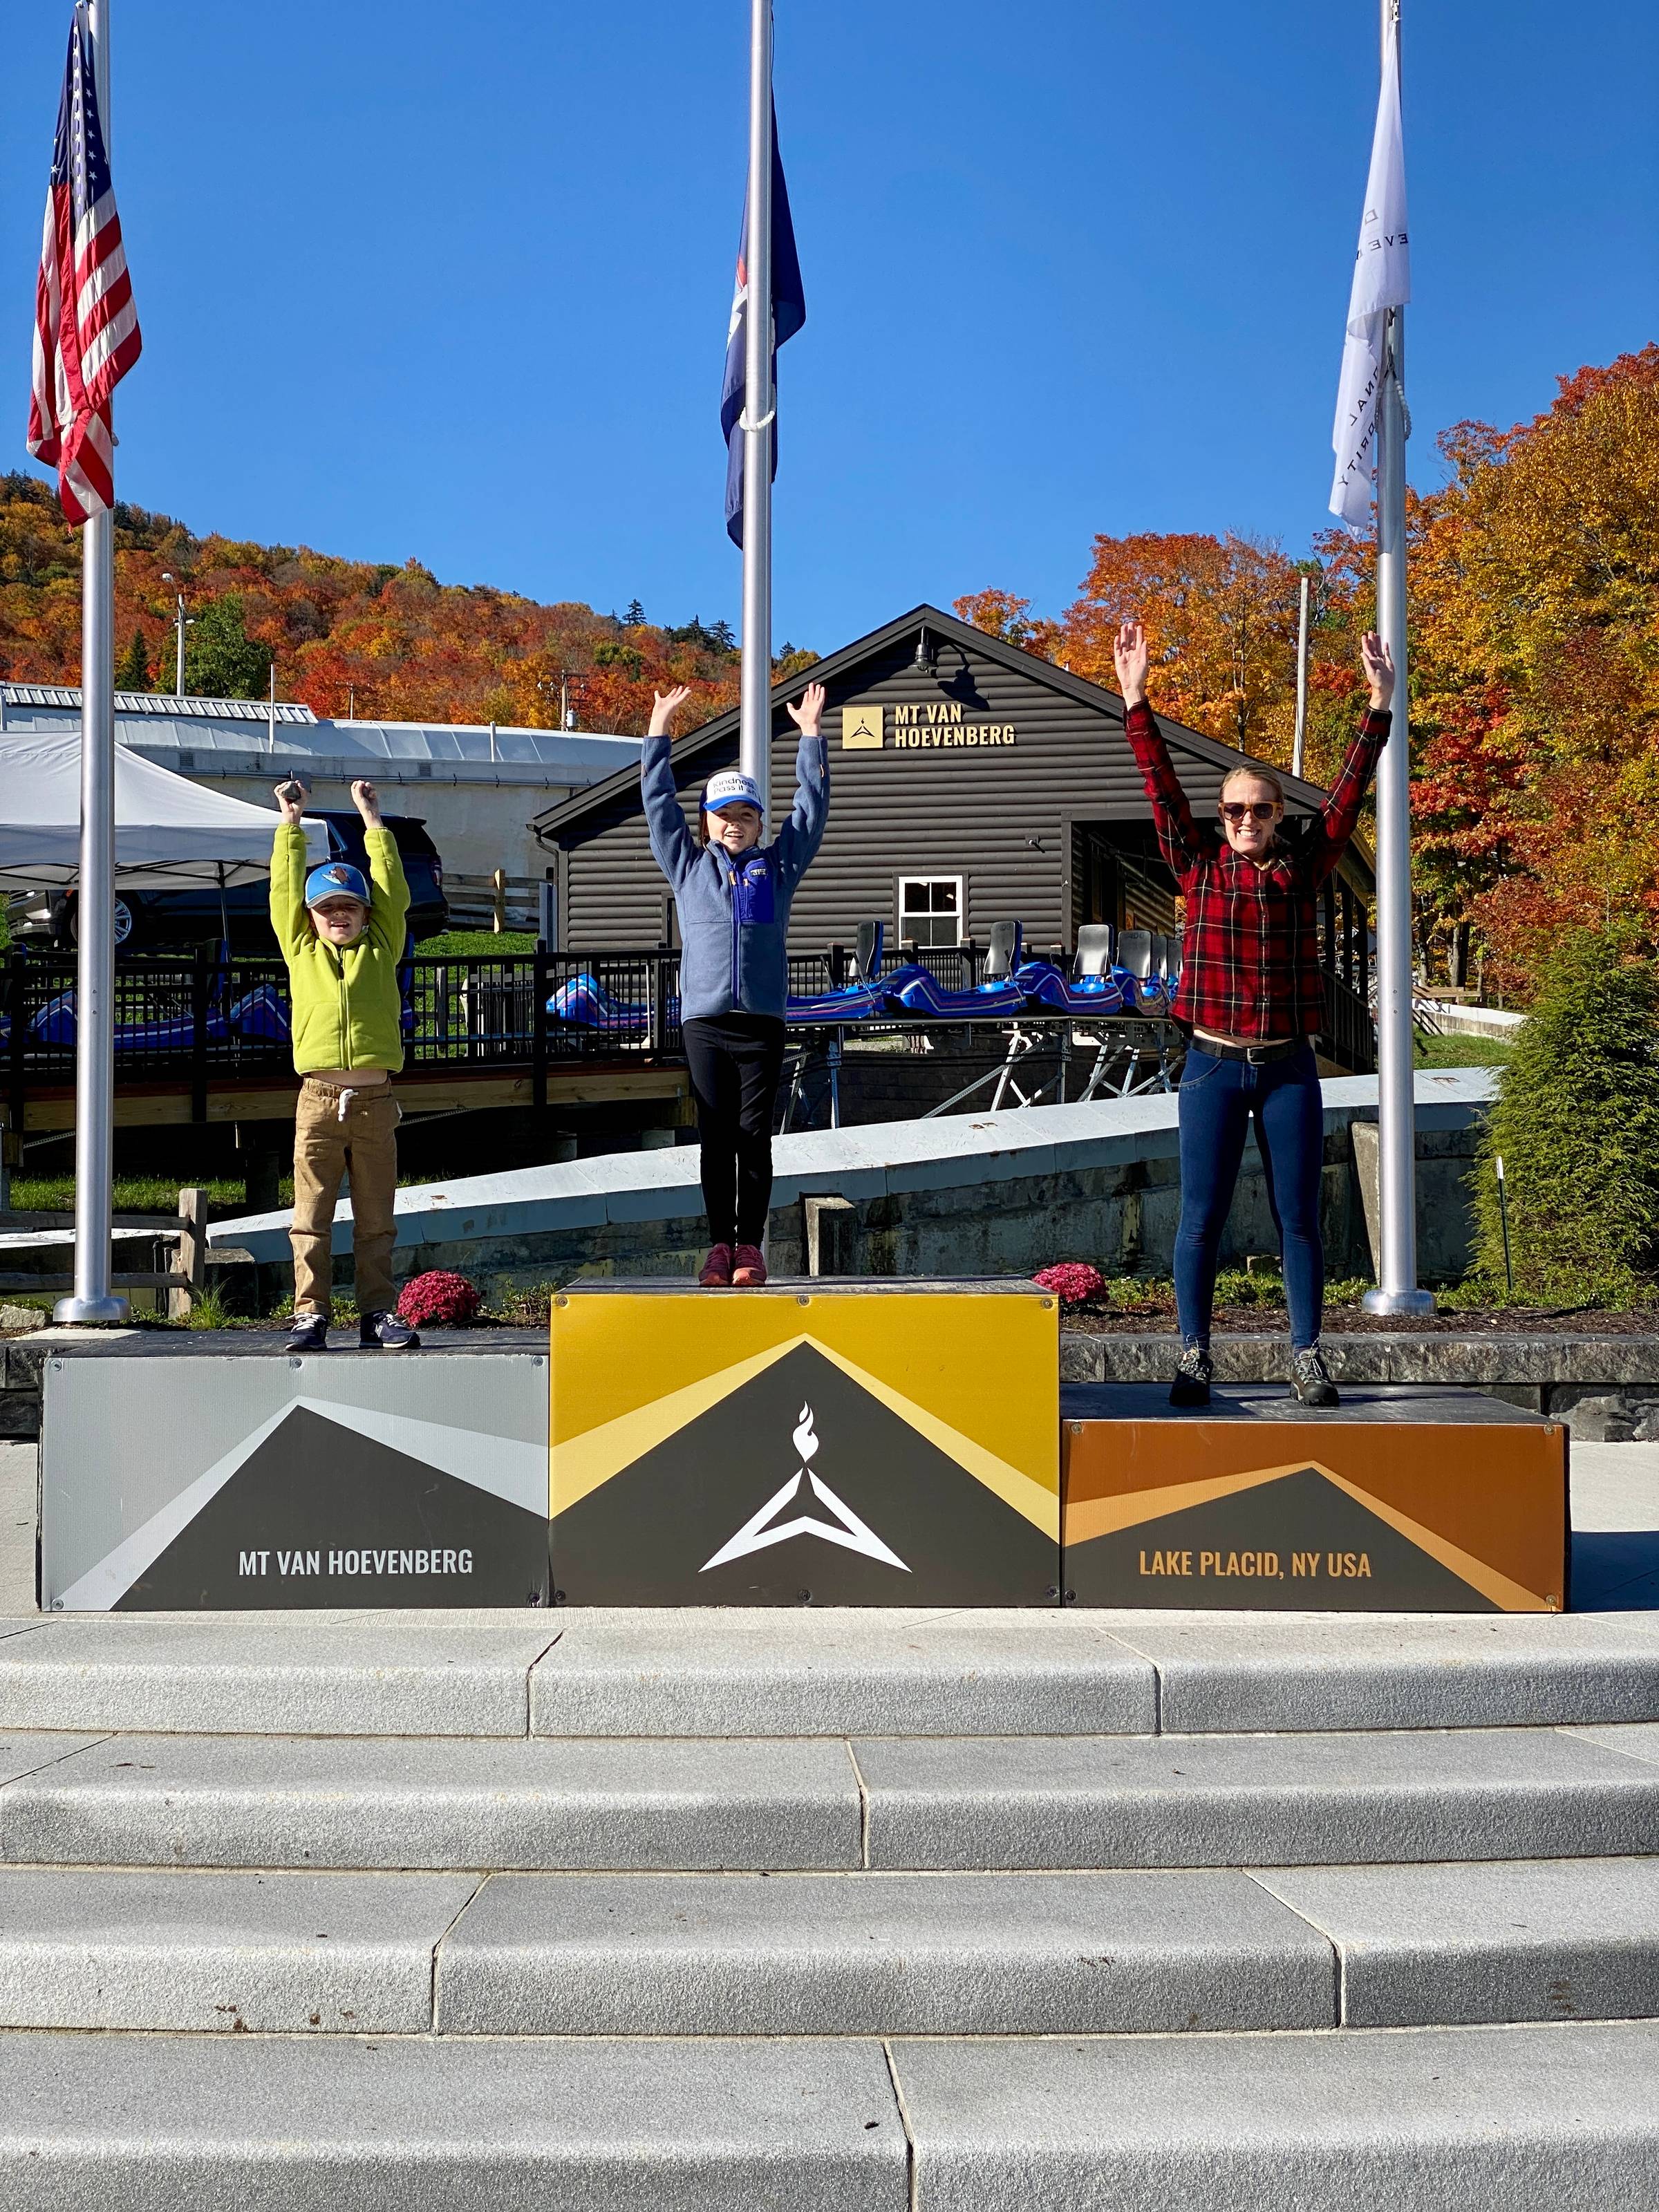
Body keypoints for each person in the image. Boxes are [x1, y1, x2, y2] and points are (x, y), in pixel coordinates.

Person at [1113, 618, 1394, 1409]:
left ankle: (1306, 1354)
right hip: (1209, 1064)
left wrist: (1378, 707)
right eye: (1234, 809)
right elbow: (1159, 786)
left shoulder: (1302, 873)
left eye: (1260, 810)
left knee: (1297, 1216)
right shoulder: (1197, 869)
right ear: (1222, 814)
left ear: (1277, 817)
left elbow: (1345, 796)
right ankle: (1195, 1354)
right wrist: (1136, 698)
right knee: (1199, 1218)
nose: (1245, 820)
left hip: (1285, 1069)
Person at [643, 679, 828, 1286]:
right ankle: (719, 1246)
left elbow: (812, 811)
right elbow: (657, 806)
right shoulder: (689, 867)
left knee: (755, 1138)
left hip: (761, 1025)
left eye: (746, 815)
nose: (735, 825)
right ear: (708, 823)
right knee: (714, 1139)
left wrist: (810, 738)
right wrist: (658, 731)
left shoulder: (778, 868)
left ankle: (751, 1248)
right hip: (704, 1023)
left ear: (757, 822)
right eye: (724, 816)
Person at [270, 776, 417, 1351]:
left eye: (349, 907)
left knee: (376, 1219)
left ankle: (378, 1313)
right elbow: (285, 893)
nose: (338, 916)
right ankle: (311, 1314)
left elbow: (394, 894)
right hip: (318, 1101)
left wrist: (372, 821)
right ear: (312, 917)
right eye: (327, 908)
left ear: (364, 914)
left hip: (375, 1103)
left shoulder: (382, 947)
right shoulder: (301, 950)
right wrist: (291, 824)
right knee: (310, 1217)